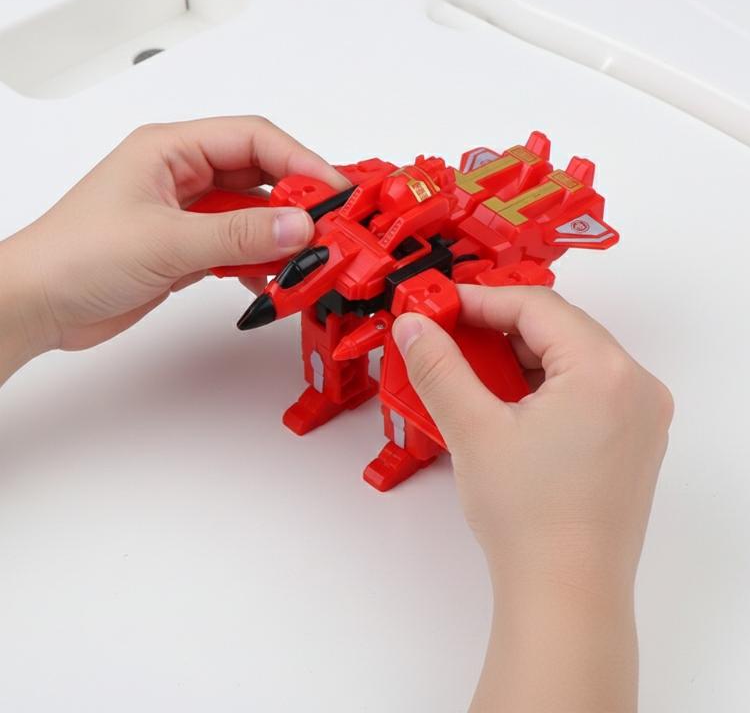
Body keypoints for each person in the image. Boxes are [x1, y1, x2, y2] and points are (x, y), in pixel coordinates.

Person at [0, 116, 673, 712]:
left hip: (418, 287)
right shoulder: (335, 231)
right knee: (327, 338)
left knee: (410, 374)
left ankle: (407, 445)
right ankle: (331, 391)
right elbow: (354, 191)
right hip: (351, 294)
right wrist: (37, 293)